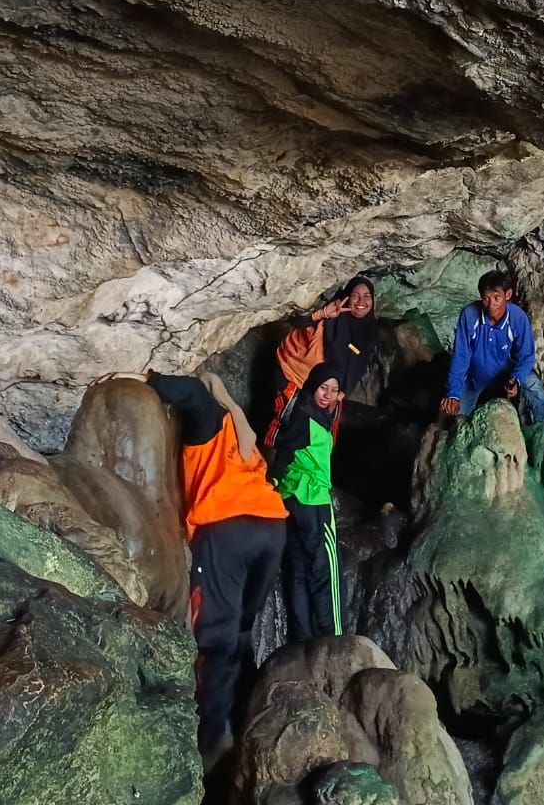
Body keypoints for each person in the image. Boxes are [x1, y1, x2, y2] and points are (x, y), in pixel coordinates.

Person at [92, 367, 286, 769]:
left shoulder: (212, 423)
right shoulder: (242, 431)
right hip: (271, 527)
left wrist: (143, 378)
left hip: (226, 529)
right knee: (244, 631)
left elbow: (194, 394)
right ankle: (245, 719)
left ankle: (209, 743)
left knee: (215, 640)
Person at [439, 270, 544, 449]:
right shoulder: (469, 315)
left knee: (532, 383)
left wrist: (516, 379)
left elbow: (526, 356)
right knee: (452, 420)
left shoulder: (517, 318)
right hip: (474, 374)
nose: (491, 304)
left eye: (497, 297)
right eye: (486, 298)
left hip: (503, 369)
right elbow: (461, 356)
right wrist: (453, 393)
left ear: (507, 295)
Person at [269, 362, 345, 641]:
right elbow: (285, 455)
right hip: (314, 502)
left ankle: (302, 640)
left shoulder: (307, 414)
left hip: (292, 501)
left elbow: (285, 454)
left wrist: (275, 486)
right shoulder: (307, 419)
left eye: (334, 390)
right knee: (326, 571)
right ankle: (333, 638)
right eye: (323, 387)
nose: (327, 394)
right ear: (313, 386)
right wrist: (272, 480)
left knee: (299, 571)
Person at [263, 276, 378, 452]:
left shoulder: (369, 330)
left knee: (324, 436)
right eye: (355, 295)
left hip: (329, 388)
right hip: (297, 374)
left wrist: (341, 394)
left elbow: (358, 366)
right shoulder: (334, 312)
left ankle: (312, 472)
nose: (361, 301)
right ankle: (271, 469)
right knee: (287, 426)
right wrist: (323, 313)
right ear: (347, 296)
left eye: (367, 295)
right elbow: (296, 321)